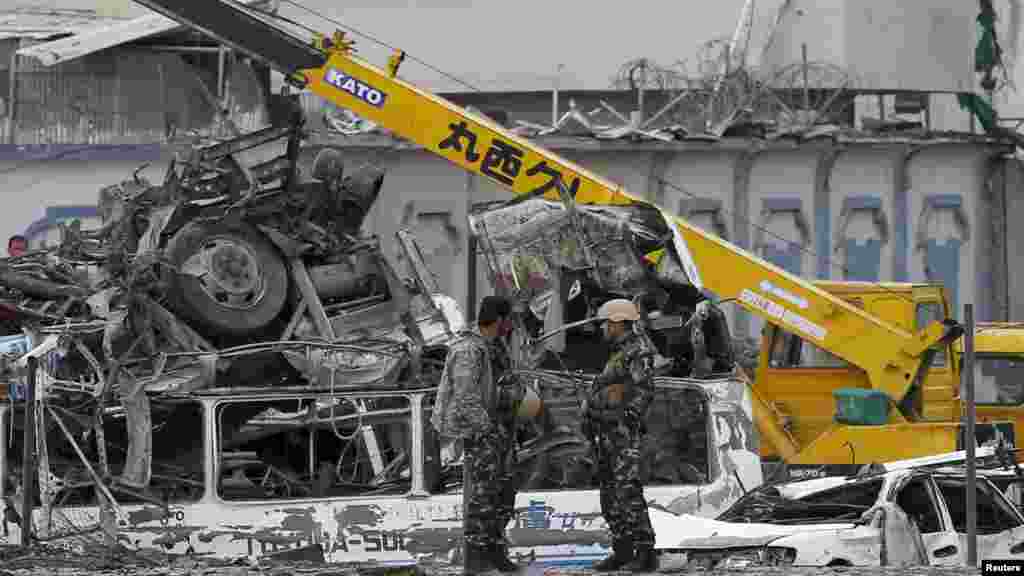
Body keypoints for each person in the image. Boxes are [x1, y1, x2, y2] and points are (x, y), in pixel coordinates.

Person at [431, 295, 519, 575]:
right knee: (483, 495)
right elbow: (466, 397)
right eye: (509, 320)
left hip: (499, 428)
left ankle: (495, 549)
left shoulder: (494, 346)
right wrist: (487, 429)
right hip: (482, 430)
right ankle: (478, 557)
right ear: (500, 321)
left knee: (503, 492)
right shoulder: (469, 349)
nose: (512, 326)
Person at [584, 298, 659, 572]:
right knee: (610, 492)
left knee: (627, 490)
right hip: (606, 433)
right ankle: (623, 550)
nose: (603, 328)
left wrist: (627, 417)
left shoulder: (637, 350)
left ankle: (644, 552)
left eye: (605, 323)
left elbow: (645, 390)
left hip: (622, 434)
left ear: (616, 322)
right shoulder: (620, 351)